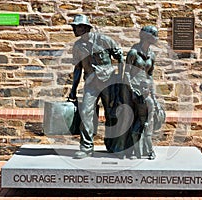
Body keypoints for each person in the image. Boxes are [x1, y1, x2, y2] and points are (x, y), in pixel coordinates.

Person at [68, 14, 124, 159]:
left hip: (108, 82)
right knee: (86, 112)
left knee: (111, 113)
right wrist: (73, 90)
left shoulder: (103, 40)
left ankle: (113, 145)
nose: (74, 29)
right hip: (91, 84)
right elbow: (77, 69)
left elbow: (120, 58)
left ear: (85, 28)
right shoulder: (78, 46)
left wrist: (121, 79)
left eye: (77, 26)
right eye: (73, 26)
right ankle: (86, 147)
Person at [124, 25, 159, 160]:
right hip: (132, 89)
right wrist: (131, 90)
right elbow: (126, 73)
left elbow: (150, 75)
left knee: (146, 119)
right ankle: (130, 150)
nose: (157, 38)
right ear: (146, 36)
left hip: (145, 90)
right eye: (154, 35)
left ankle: (145, 149)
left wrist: (153, 94)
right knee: (132, 119)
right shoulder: (133, 52)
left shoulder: (152, 55)